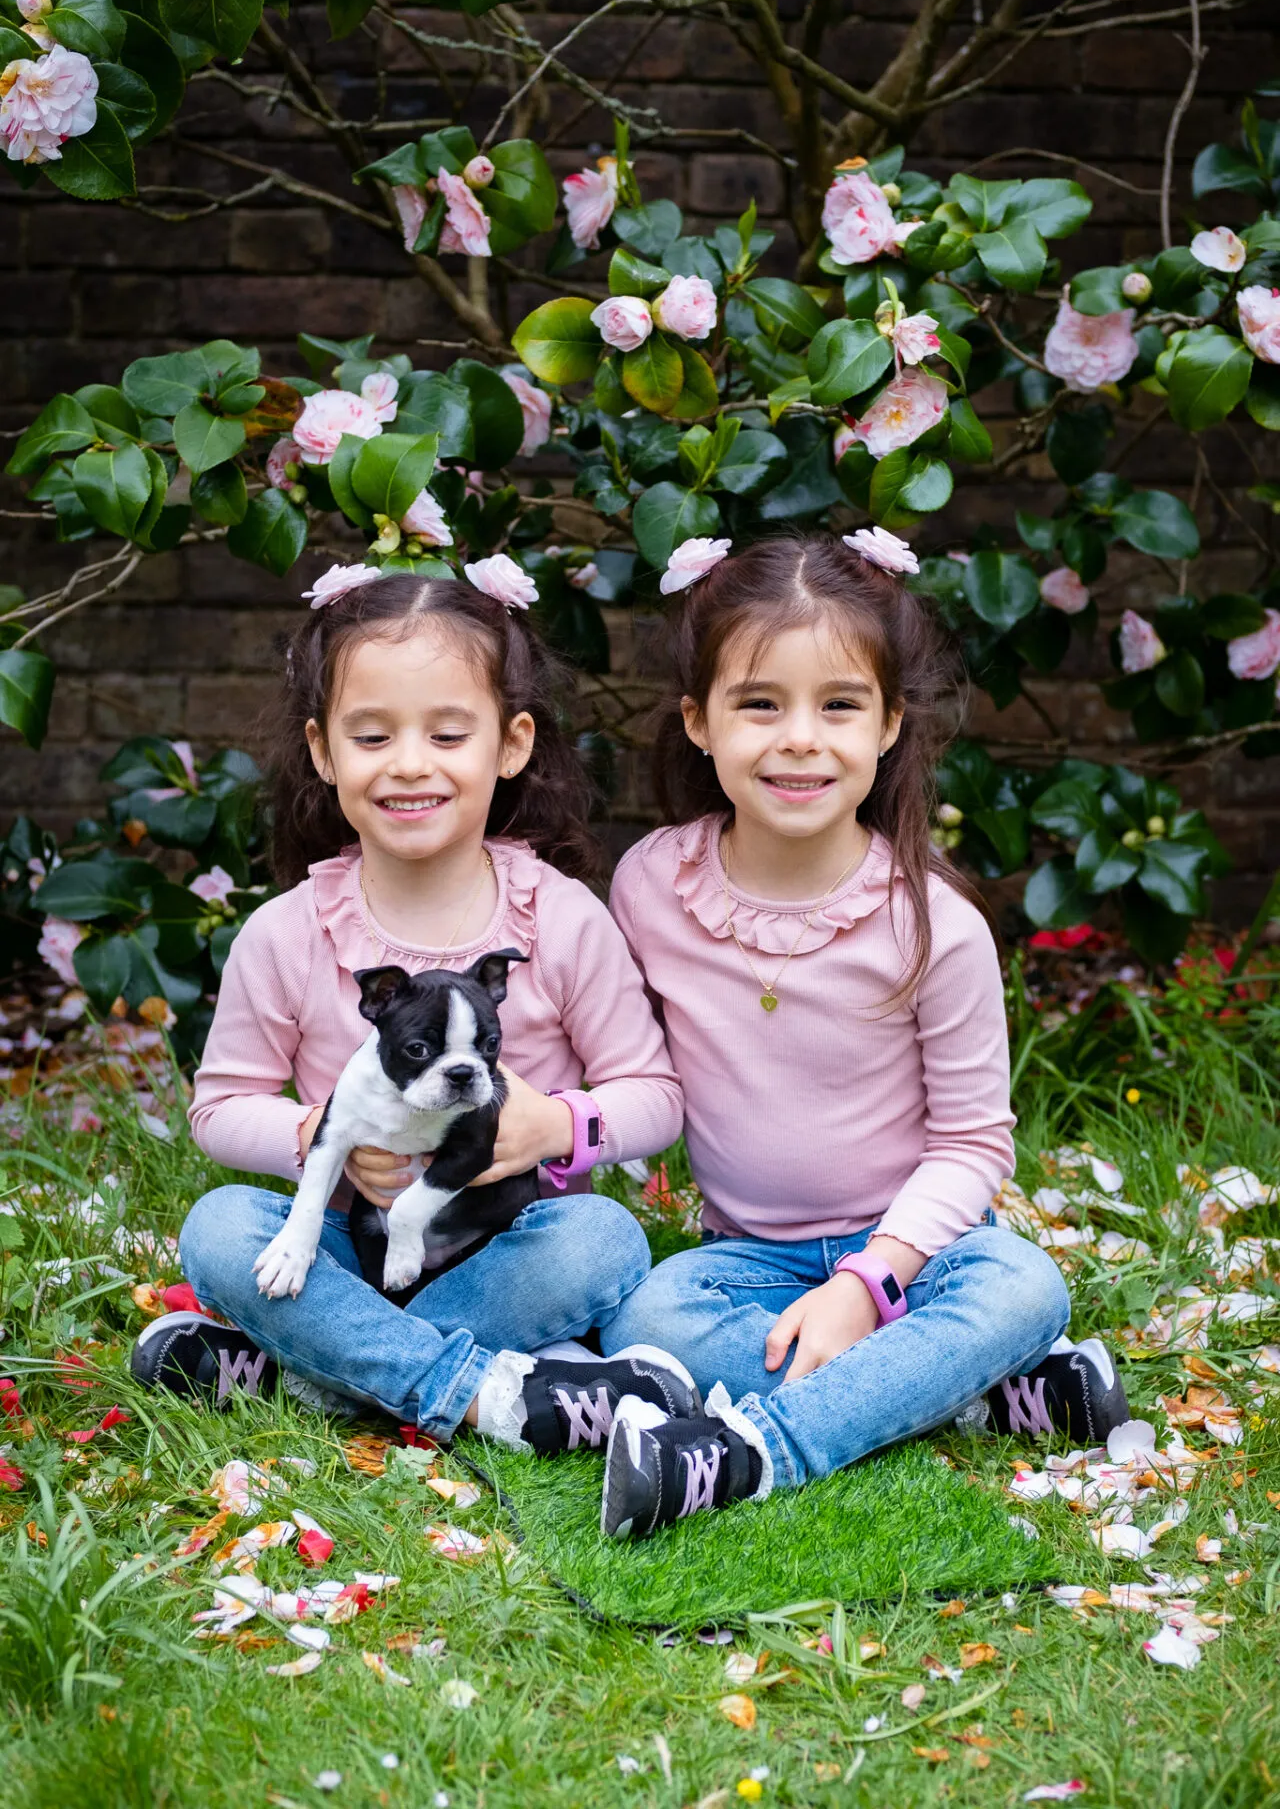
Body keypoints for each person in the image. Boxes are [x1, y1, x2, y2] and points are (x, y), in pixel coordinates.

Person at [597, 531, 1128, 1540]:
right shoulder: (649, 888)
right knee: (645, 1322)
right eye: (759, 703)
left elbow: (972, 1144)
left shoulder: (931, 924)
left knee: (1024, 1284)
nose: (799, 738)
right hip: (744, 1260)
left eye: (837, 705)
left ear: (886, 725)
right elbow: (623, 1067)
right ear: (697, 723)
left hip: (916, 1256)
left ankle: (751, 1455)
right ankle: (964, 1395)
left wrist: (866, 1285)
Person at [130, 565, 702, 1456]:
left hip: (508, 1241)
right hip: (351, 1247)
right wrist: (321, 1136)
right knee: (219, 1228)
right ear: (324, 752)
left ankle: (311, 1367)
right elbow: (219, 1106)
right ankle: (477, 1390)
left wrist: (552, 1126)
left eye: (446, 732)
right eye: (372, 735)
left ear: (510, 744)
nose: (408, 764)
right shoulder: (288, 932)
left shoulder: (559, 918)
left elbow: (654, 1096)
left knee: (606, 1238)